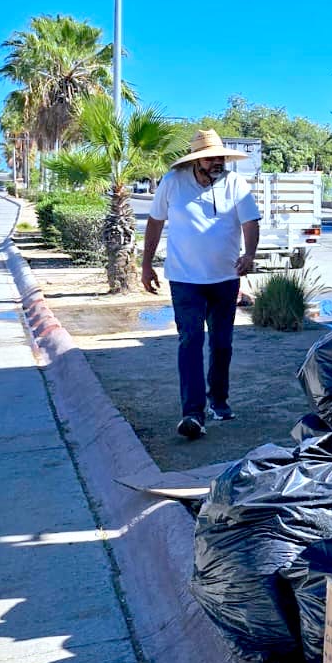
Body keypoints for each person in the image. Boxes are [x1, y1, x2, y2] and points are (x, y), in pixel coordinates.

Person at [141, 130, 261, 440]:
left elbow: (250, 222)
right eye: (210, 158)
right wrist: (146, 264)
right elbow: (155, 222)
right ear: (196, 161)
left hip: (225, 279)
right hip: (184, 279)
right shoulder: (173, 182)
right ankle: (192, 414)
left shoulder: (235, 184)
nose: (217, 162)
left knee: (221, 344)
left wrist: (249, 254)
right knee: (190, 340)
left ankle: (218, 400)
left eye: (220, 157)